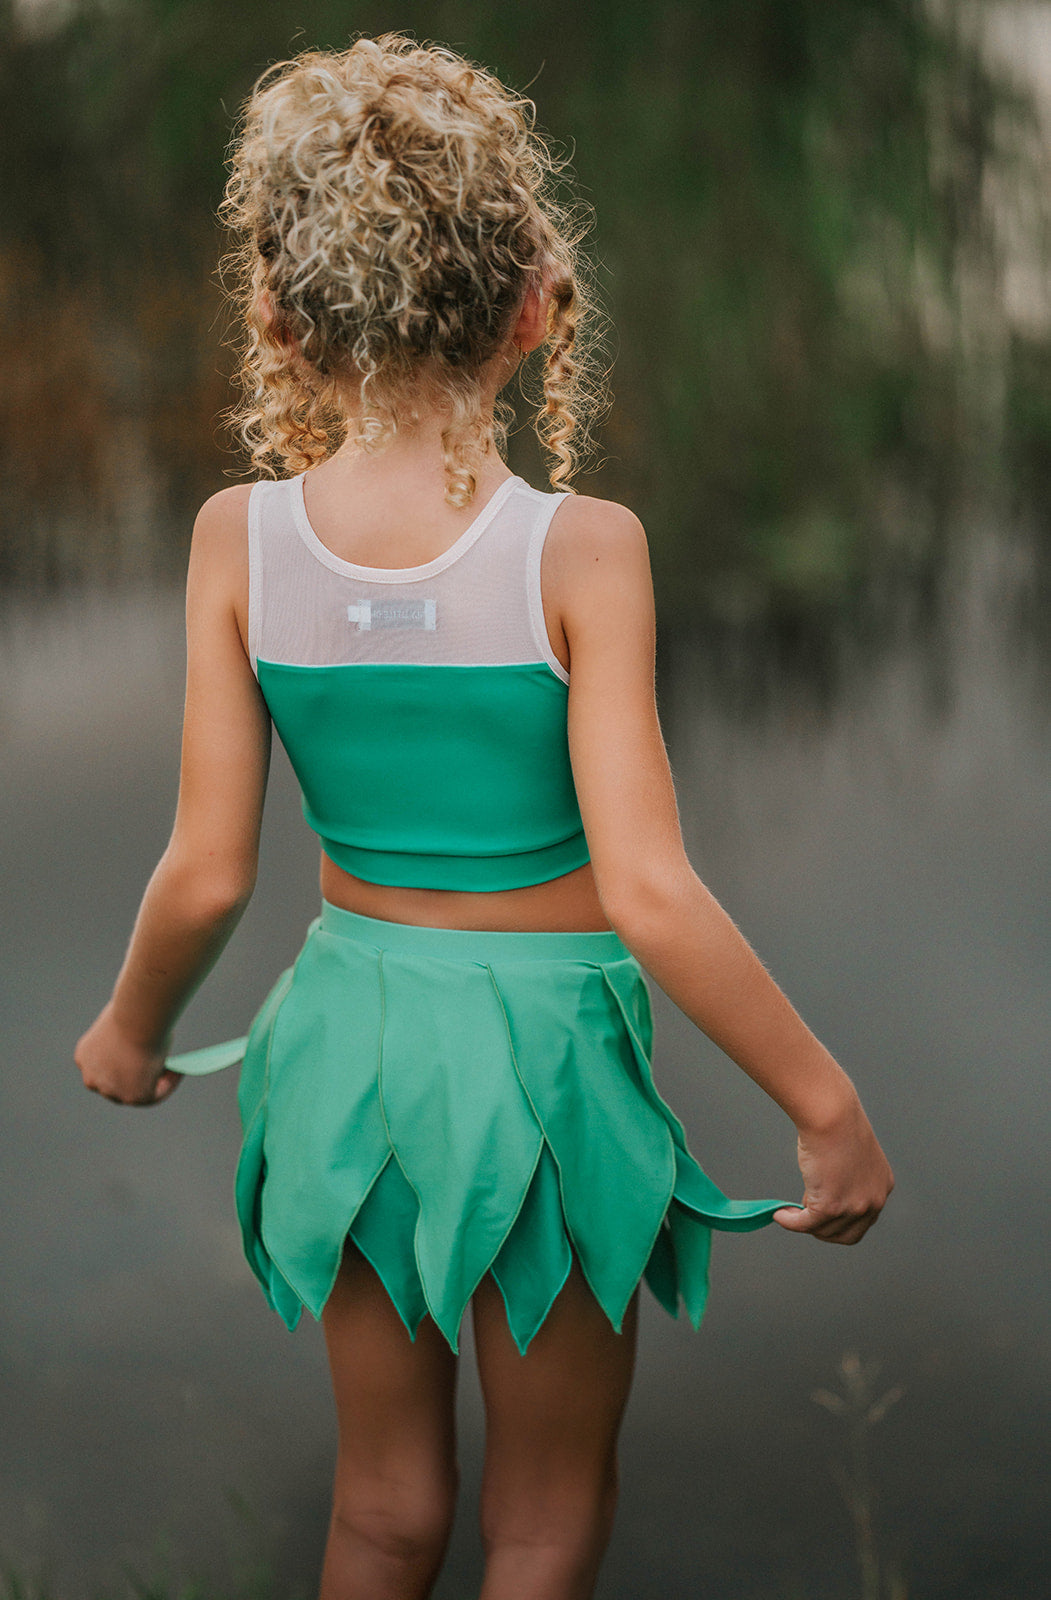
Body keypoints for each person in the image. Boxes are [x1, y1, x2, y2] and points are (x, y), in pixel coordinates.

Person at [74, 33, 893, 1600]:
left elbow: (206, 869)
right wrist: (824, 1104)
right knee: (539, 1507)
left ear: (277, 318)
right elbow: (648, 890)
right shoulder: (581, 552)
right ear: (536, 304)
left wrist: (131, 1029)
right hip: (542, 1082)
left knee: (381, 1506)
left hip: (352, 1047)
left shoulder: (237, 539)